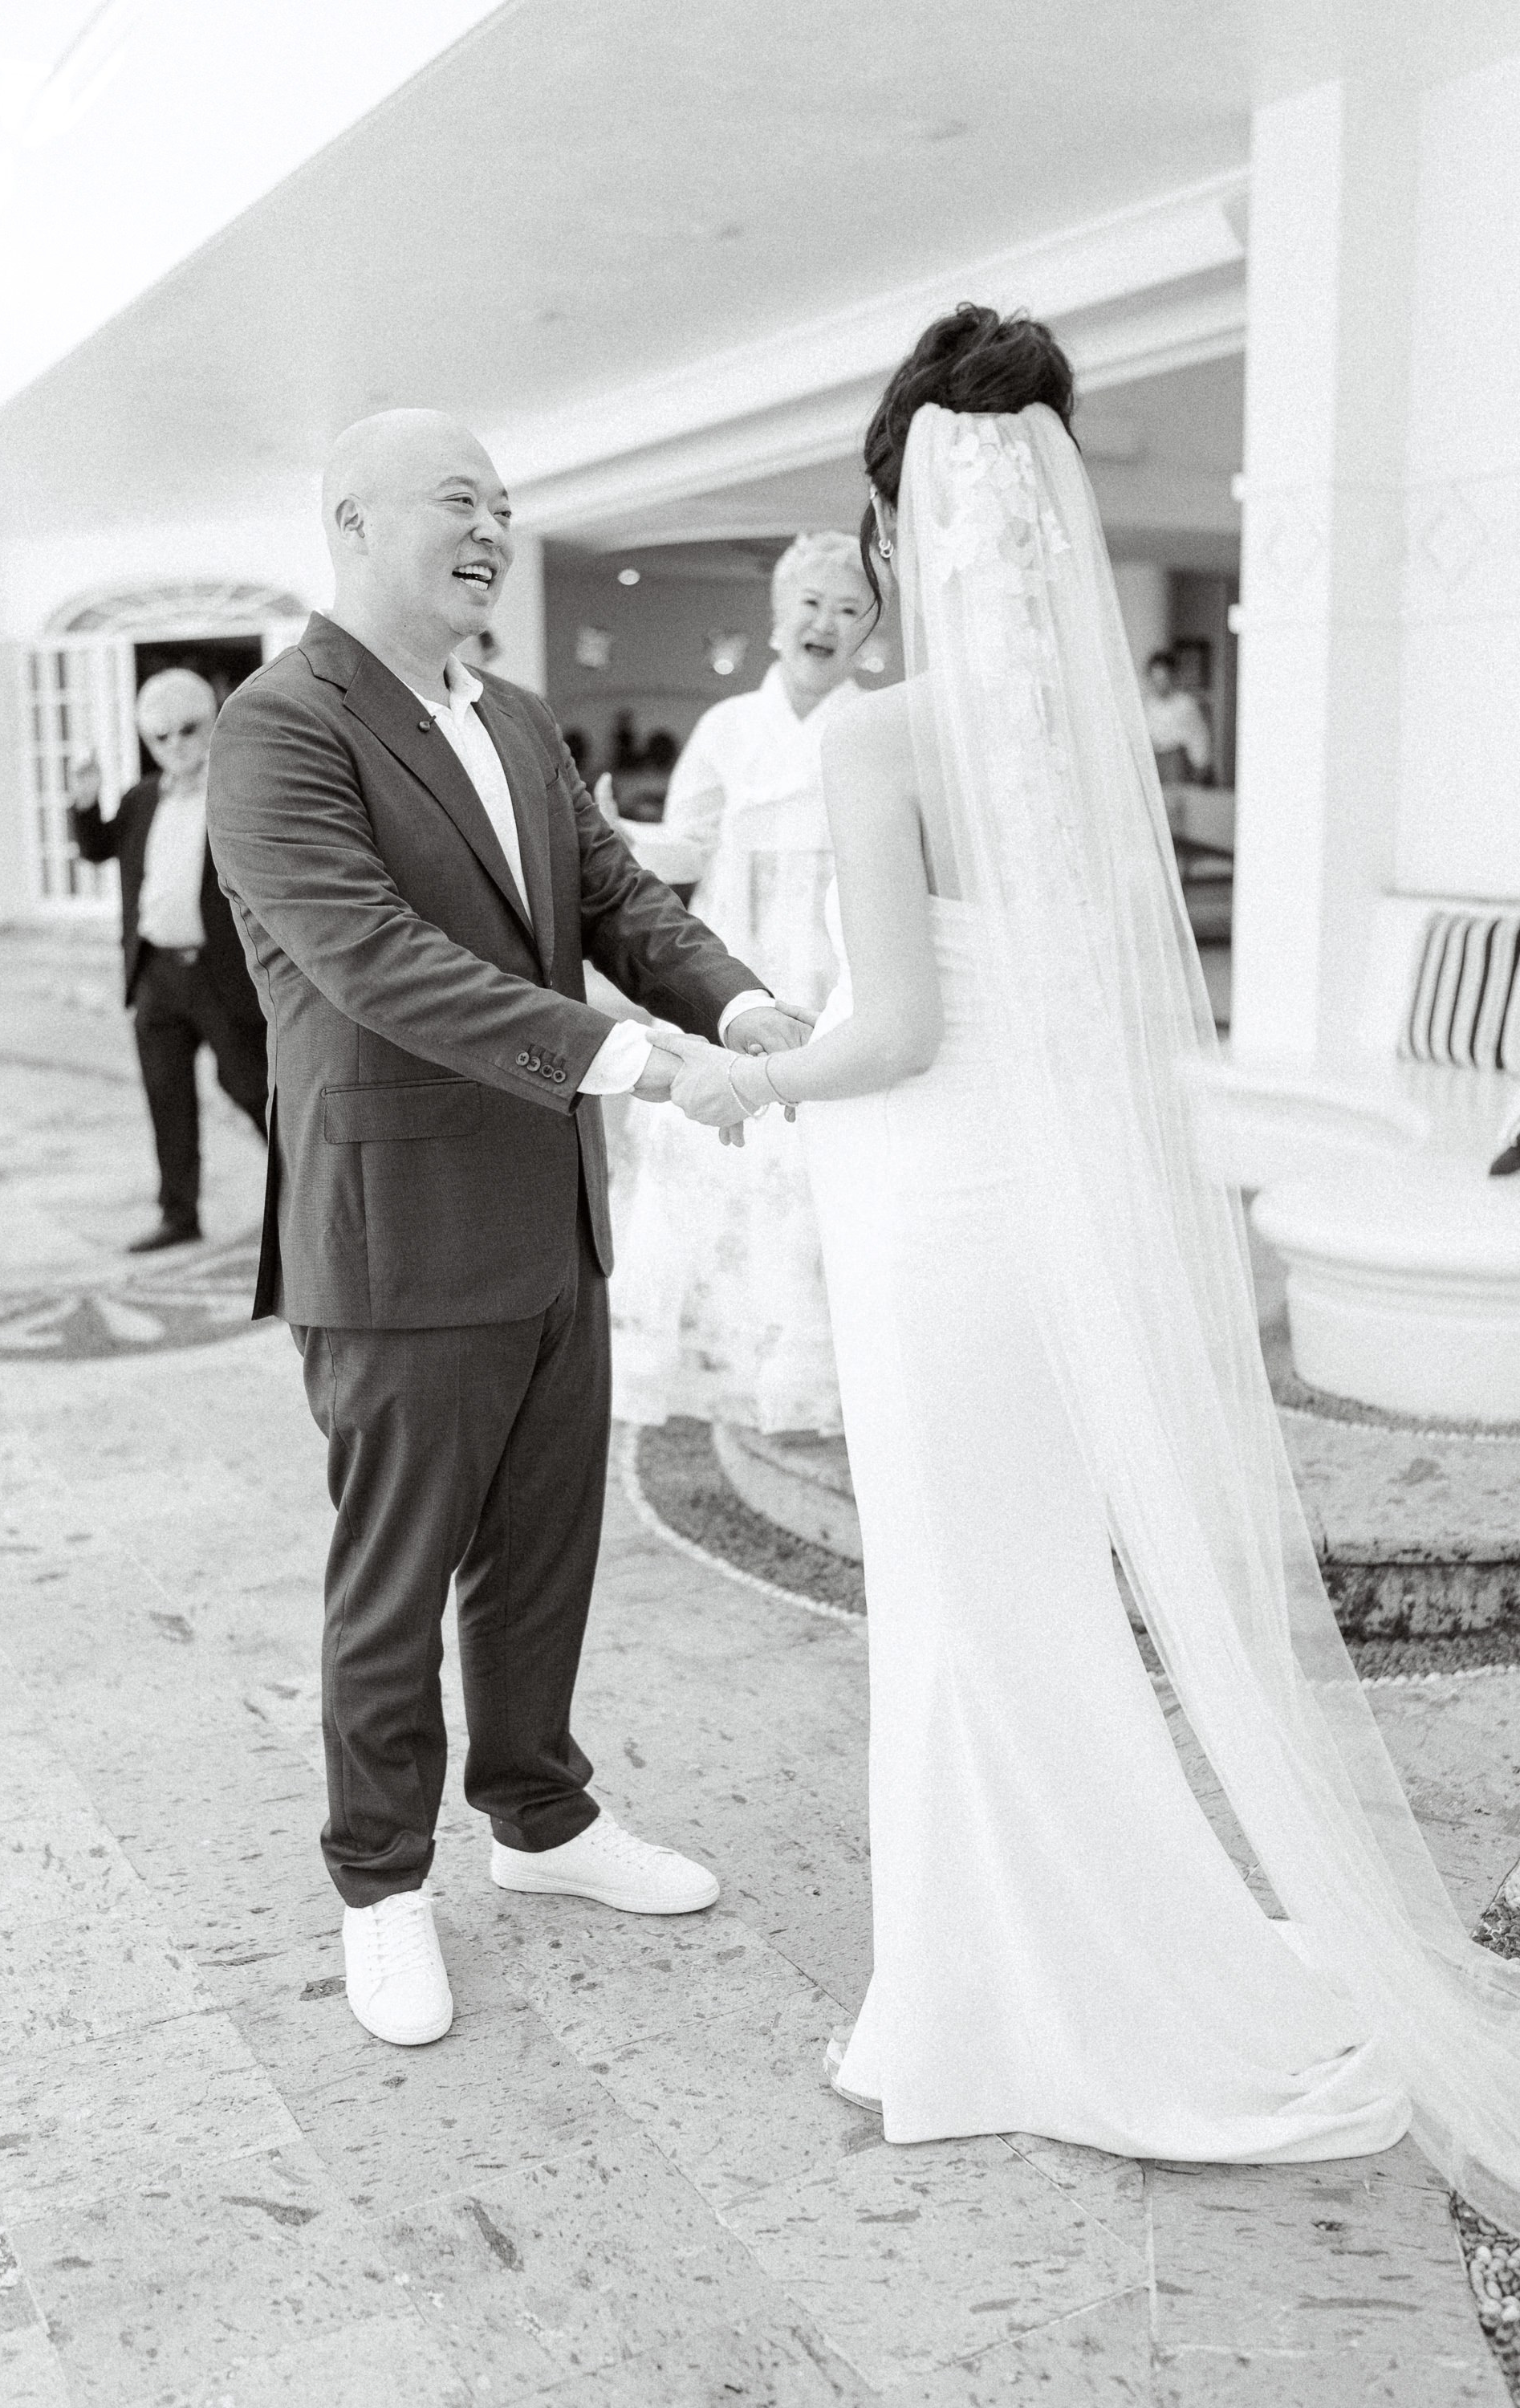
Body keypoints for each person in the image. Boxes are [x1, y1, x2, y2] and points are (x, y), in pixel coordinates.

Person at [667, 306, 1520, 2224]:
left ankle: (1008, 2009)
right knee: (1026, 1602)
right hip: (1032, 1228)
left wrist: (745, 1081)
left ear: (894, 525)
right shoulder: (1072, 730)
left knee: (970, 1616)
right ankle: (1013, 1977)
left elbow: (885, 1034)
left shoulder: (881, 734)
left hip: (918, 1211)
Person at [205, 410, 809, 2052]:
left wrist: (739, 1006)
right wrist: (633, 1062)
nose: (494, 529)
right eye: (459, 501)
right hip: (394, 1231)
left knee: (543, 1555)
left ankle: (540, 1818)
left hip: (551, 1223)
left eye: (506, 507)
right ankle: (381, 1888)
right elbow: (374, 956)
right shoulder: (279, 730)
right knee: (393, 1584)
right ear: (350, 520)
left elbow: (615, 902)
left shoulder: (520, 718)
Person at [612, 531, 874, 1434]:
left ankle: (814, 1368)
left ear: (869, 628)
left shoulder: (869, 728)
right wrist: (619, 835)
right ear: (775, 618)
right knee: (712, 1158)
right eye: (809, 604)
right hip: (732, 971)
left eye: (848, 609)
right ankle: (723, 1352)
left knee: (816, 1167)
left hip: (830, 970)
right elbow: (685, 847)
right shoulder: (727, 728)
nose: (825, 624)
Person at [69, 671, 268, 1252]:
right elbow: (97, 848)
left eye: (189, 729)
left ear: (213, 724)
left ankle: (311, 1194)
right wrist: (85, 800)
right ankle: (178, 1215)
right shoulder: (140, 799)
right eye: (161, 736)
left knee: (252, 1089)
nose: (176, 744)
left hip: (221, 973)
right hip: (155, 972)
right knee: (167, 1098)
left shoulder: (238, 791)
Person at [1144, 647, 1212, 785]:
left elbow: (1198, 736)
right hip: (1152, 759)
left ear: (1171, 676)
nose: (1159, 684)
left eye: (1163, 678)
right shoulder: (1146, 705)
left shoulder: (1185, 704)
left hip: (1176, 760)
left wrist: (1201, 766)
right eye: (1155, 678)